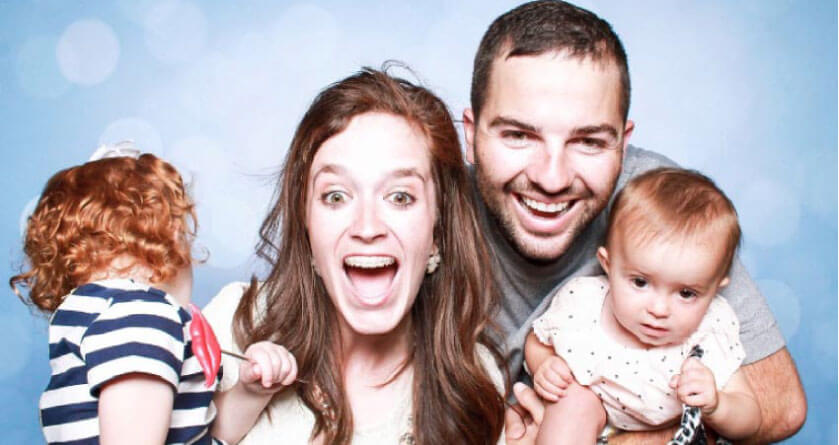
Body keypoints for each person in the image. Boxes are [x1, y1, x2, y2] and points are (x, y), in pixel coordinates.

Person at [462, 1, 806, 442]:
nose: (551, 178)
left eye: (588, 141)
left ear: (623, 143)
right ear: (470, 135)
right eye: (518, 135)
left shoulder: (656, 206)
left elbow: (780, 405)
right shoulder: (422, 208)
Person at [202, 68, 507, 444]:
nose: (367, 227)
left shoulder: (474, 381)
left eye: (400, 197)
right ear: (307, 225)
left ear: (437, 232)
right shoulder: (234, 326)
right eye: (336, 196)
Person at [11, 146, 294, 445]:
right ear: (161, 246)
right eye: (182, 239)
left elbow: (203, 433)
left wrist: (251, 392)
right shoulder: (142, 315)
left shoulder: (87, 316)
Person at [525, 168, 761, 443]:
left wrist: (718, 405)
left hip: (671, 434)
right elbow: (538, 339)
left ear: (714, 290)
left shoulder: (709, 332)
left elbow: (751, 420)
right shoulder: (582, 303)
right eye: (639, 282)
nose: (659, 310)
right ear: (608, 265)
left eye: (686, 293)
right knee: (574, 400)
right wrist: (545, 364)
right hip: (592, 410)